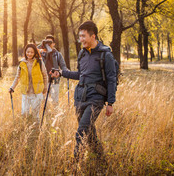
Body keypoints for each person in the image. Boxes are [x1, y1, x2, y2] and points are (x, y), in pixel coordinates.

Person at [51, 21, 117, 160]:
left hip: (96, 99)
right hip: (80, 98)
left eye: (83, 36)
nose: (81, 40)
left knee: (81, 131)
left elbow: (111, 79)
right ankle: (101, 160)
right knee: (90, 132)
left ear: (93, 36)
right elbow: (79, 75)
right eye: (79, 36)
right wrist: (61, 73)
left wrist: (110, 102)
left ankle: (75, 164)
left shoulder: (106, 55)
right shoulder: (82, 53)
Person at [9, 44, 48, 119]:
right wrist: (12, 87)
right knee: (24, 113)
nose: (29, 54)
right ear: (25, 52)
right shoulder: (22, 63)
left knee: (35, 114)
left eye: (32, 52)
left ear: (35, 53)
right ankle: (26, 128)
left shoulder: (39, 62)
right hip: (26, 92)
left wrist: (45, 88)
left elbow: (45, 76)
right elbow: (17, 77)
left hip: (37, 92)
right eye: (28, 52)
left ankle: (36, 129)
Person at [39, 35, 68, 104]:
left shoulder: (57, 54)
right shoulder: (41, 53)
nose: (48, 44)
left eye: (50, 42)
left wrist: (67, 73)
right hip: (43, 80)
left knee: (55, 100)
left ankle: (54, 113)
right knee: (43, 101)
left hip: (55, 80)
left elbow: (63, 66)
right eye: (46, 42)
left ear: (54, 44)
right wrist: (42, 45)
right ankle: (46, 114)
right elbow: (34, 49)